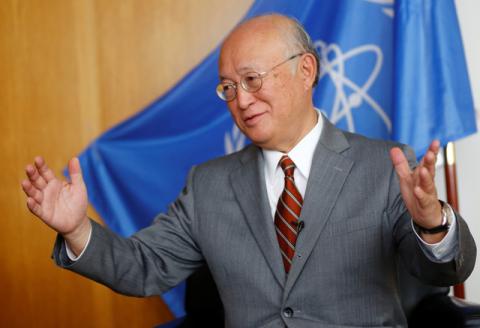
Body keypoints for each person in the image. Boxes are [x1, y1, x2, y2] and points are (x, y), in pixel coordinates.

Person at [22, 14, 476, 327]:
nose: (240, 99)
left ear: (305, 71)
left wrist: (432, 225)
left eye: (252, 80)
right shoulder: (208, 185)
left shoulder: (384, 165)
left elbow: (443, 271)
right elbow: (144, 267)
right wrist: (79, 229)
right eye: (228, 87)